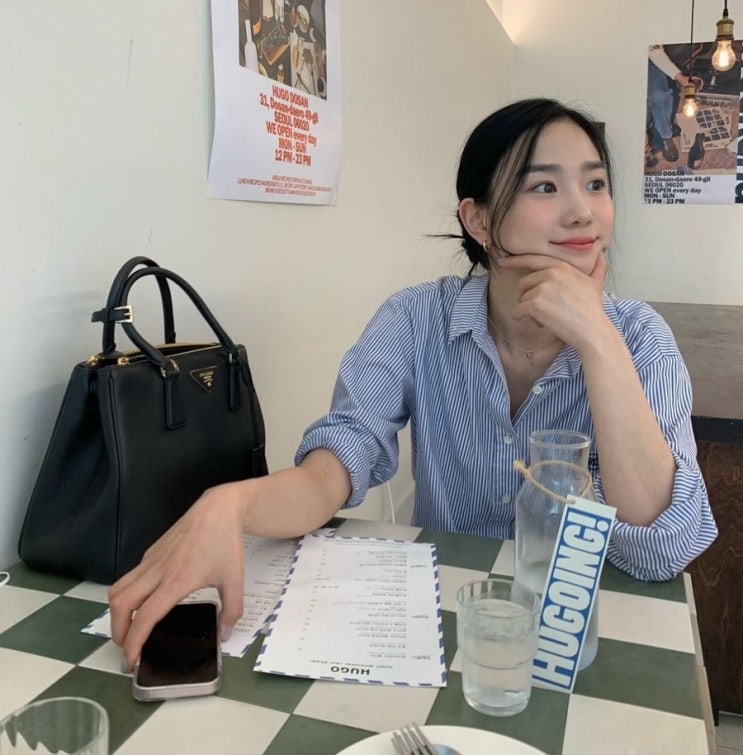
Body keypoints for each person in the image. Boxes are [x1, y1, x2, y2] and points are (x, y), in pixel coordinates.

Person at [109, 98, 717, 671]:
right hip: (446, 625)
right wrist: (232, 504)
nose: (583, 211)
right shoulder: (415, 319)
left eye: (596, 184)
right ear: (478, 220)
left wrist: (599, 342)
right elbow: (337, 465)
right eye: (544, 186)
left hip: (591, 638)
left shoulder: (639, 337)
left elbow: (661, 547)